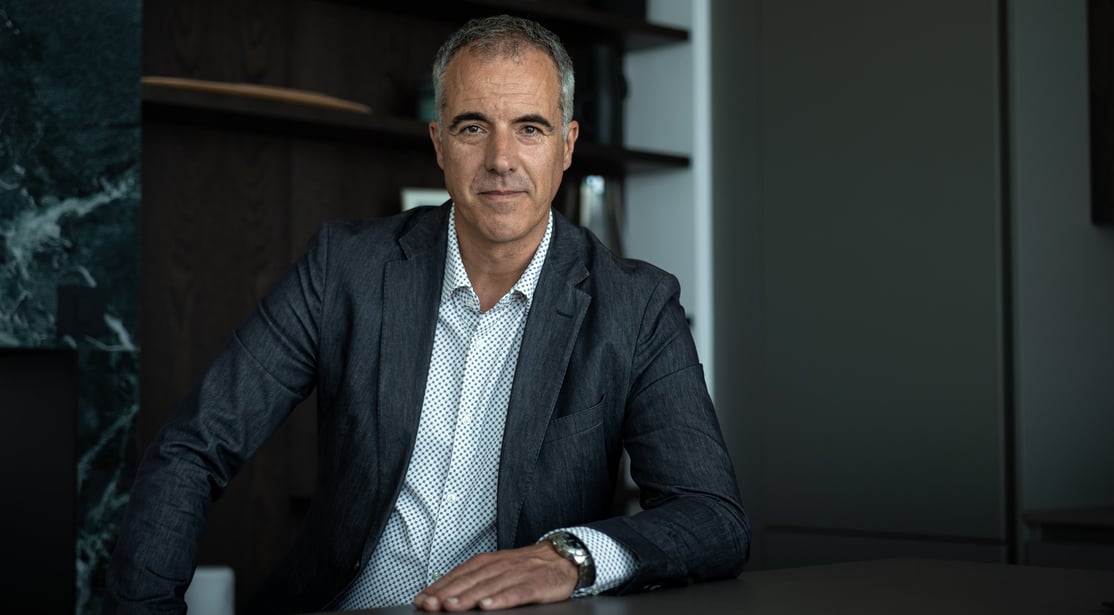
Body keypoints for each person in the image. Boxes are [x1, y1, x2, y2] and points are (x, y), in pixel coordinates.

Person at [106, 14, 748, 614]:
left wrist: (570, 558)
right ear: (440, 144)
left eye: (530, 127)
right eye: (474, 127)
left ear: (567, 145)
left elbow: (711, 517)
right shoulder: (345, 268)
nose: (501, 159)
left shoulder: (636, 306)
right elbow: (193, 447)